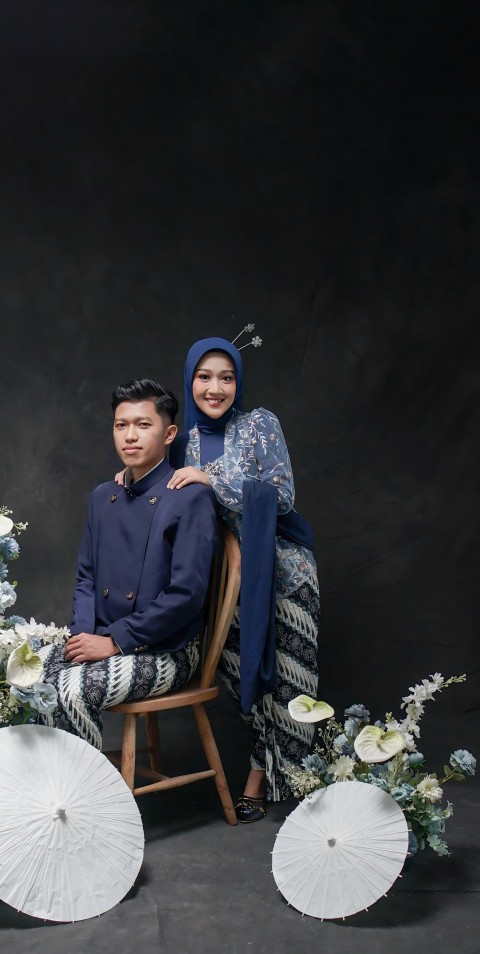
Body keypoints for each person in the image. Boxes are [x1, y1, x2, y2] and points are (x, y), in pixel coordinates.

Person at [165, 335, 319, 822]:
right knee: (245, 673)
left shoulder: (258, 424)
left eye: (226, 378)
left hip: (283, 573)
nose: (215, 388)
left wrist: (211, 480)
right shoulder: (181, 442)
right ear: (190, 380)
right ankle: (272, 770)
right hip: (225, 580)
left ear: (238, 383)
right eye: (204, 377)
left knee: (289, 681)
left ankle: (275, 783)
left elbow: (282, 495)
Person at [39, 378, 218, 749]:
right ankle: (43, 784)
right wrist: (82, 637)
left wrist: (114, 641)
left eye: (143, 424)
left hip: (167, 649)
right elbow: (86, 578)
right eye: (121, 425)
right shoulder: (103, 496)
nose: (130, 436)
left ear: (169, 434)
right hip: (101, 635)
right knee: (25, 677)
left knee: (70, 691)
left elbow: (186, 595)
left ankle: (82, 787)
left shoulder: (190, 498)